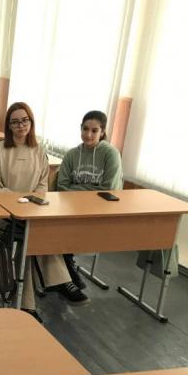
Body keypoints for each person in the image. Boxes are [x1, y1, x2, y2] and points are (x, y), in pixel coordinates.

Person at [0, 103, 88, 320]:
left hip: (31, 213)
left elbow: (43, 186)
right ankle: (59, 281)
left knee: (37, 234)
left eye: (25, 120)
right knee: (31, 236)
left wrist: (31, 204)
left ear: (31, 122)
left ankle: (27, 303)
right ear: (9, 125)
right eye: (15, 122)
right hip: (4, 213)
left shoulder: (39, 151)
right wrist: (18, 203)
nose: (21, 125)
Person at [56, 110, 123, 289]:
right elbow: (62, 186)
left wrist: (76, 189)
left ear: (102, 132)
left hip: (100, 210)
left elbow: (109, 189)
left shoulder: (111, 154)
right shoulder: (72, 155)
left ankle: (67, 268)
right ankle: (66, 269)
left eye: (94, 130)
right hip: (72, 209)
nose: (88, 134)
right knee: (56, 231)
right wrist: (92, 190)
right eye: (85, 129)